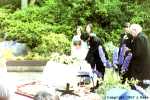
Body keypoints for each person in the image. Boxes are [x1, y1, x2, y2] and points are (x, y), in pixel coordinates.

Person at [123, 24, 150, 88]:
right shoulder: (144, 36)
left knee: (137, 86)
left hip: (139, 67)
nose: (132, 34)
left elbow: (136, 53)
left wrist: (127, 51)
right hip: (144, 65)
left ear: (135, 30)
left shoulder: (139, 38)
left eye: (131, 32)